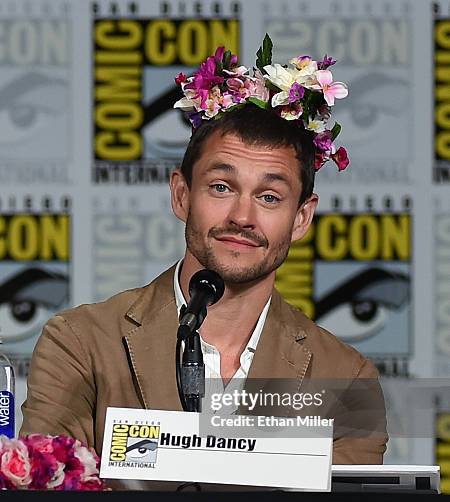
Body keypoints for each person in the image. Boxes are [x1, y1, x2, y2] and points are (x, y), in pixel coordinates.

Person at [20, 38, 387, 469]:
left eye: (269, 197)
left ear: (302, 218)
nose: (242, 217)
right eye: (221, 187)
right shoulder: (81, 343)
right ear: (181, 195)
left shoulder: (346, 377)